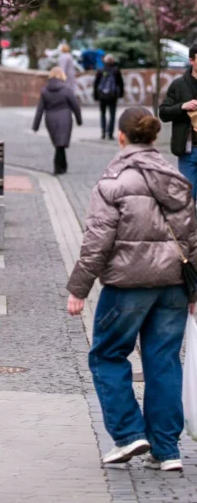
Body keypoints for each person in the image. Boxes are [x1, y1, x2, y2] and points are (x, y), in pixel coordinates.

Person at [67, 106, 197, 471]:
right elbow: (191, 236)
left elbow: (96, 242)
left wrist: (78, 288)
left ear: (121, 137)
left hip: (127, 285)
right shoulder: (175, 177)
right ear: (154, 136)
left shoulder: (113, 181)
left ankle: (128, 434)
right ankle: (167, 450)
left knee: (107, 355)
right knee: (164, 362)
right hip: (172, 285)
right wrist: (195, 292)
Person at [159, 43, 197, 202]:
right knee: (188, 198)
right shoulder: (179, 85)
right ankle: (190, 227)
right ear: (191, 60)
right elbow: (163, 113)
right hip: (189, 150)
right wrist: (182, 106)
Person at [32, 66, 82, 174]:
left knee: (58, 144)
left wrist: (35, 125)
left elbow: (40, 109)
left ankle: (61, 167)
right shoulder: (66, 90)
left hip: (50, 119)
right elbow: (75, 106)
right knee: (61, 144)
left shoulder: (45, 91)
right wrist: (79, 120)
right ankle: (59, 167)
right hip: (65, 118)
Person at [94, 54, 125, 141]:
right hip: (112, 96)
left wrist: (96, 96)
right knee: (112, 115)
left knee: (103, 114)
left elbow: (96, 84)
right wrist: (120, 95)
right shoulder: (116, 70)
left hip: (102, 96)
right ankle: (110, 133)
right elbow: (120, 83)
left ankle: (103, 132)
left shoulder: (100, 70)